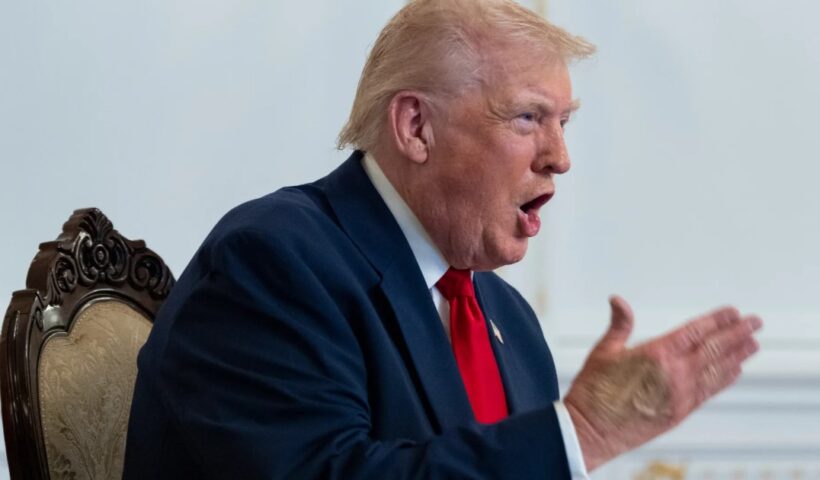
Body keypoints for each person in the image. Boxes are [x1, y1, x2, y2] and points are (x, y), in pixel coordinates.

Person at [123, 0, 763, 478]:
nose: (560, 157)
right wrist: (585, 429)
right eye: (527, 118)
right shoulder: (271, 263)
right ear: (415, 126)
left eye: (564, 122)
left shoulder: (509, 320)